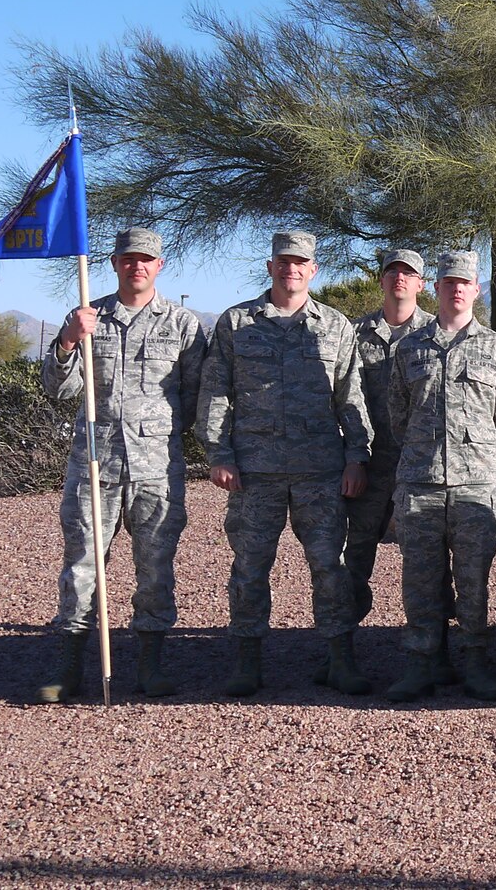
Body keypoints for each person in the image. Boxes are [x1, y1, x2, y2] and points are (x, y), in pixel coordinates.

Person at [198, 231, 374, 697]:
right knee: (250, 568)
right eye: (283, 261)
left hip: (320, 469)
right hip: (254, 472)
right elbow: (216, 393)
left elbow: (350, 397)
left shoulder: (335, 325)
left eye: (300, 263)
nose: (291, 269)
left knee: (330, 569)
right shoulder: (237, 323)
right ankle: (247, 662)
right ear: (270, 266)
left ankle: (340, 659)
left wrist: (357, 457)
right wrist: (219, 454)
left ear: (313, 270)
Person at [37, 227, 208, 702]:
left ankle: (149, 667)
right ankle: (69, 669)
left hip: (156, 468)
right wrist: (69, 341)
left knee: (155, 567)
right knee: (82, 565)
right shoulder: (89, 319)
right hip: (95, 463)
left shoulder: (182, 324)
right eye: (128, 259)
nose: (137, 266)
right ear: (114, 264)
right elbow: (58, 389)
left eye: (146, 260)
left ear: (160, 266)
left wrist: (158, 430)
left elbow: (195, 395)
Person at [382, 251, 496, 702]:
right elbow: (397, 416)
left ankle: (475, 661)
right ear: (435, 288)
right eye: (448, 283)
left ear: (475, 291)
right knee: (420, 579)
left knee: (474, 579)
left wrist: (481, 460)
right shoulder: (410, 347)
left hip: (477, 485)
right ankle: (423, 662)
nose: (457, 289)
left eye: (465, 283)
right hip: (420, 482)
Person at [345, 249, 433, 629]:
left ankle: (430, 646)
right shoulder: (354, 333)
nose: (399, 278)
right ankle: (343, 643)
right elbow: (344, 397)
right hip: (370, 461)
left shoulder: (437, 333)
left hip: (421, 463)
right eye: (392, 272)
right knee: (355, 553)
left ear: (420, 284)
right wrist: (354, 457)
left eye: (408, 273)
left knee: (427, 557)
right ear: (381, 280)